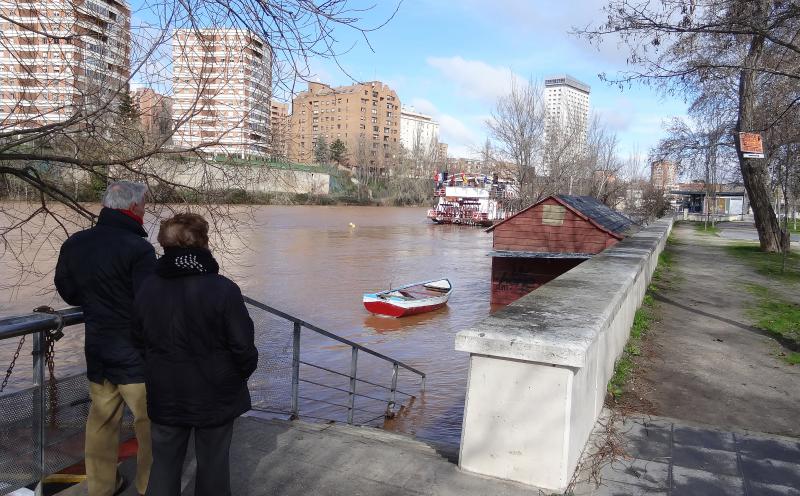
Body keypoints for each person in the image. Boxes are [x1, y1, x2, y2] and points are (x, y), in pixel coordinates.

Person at [133, 213, 257, 496]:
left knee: (163, 464)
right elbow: (243, 347)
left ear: (164, 244)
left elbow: (137, 339)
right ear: (203, 242)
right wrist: (235, 376)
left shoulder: (148, 287)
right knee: (213, 464)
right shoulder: (223, 289)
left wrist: (156, 369)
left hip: (165, 389)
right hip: (215, 391)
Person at [55, 181, 155, 496]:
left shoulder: (76, 243)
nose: (145, 209)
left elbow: (68, 291)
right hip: (135, 353)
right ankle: (148, 486)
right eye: (144, 204)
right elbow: (148, 301)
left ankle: (102, 487)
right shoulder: (139, 249)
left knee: (101, 422)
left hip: (98, 348)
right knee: (148, 423)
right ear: (133, 208)